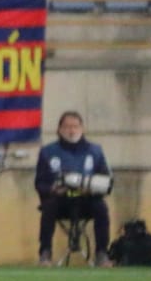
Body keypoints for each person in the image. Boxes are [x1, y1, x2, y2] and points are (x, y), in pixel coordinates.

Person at [35, 111, 111, 266]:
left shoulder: (95, 151)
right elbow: (40, 183)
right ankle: (45, 253)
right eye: (67, 127)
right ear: (59, 129)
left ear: (81, 128)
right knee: (49, 206)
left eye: (75, 126)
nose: (71, 131)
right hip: (61, 201)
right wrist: (53, 190)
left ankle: (102, 253)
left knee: (101, 207)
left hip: (86, 200)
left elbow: (106, 181)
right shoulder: (48, 152)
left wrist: (91, 187)